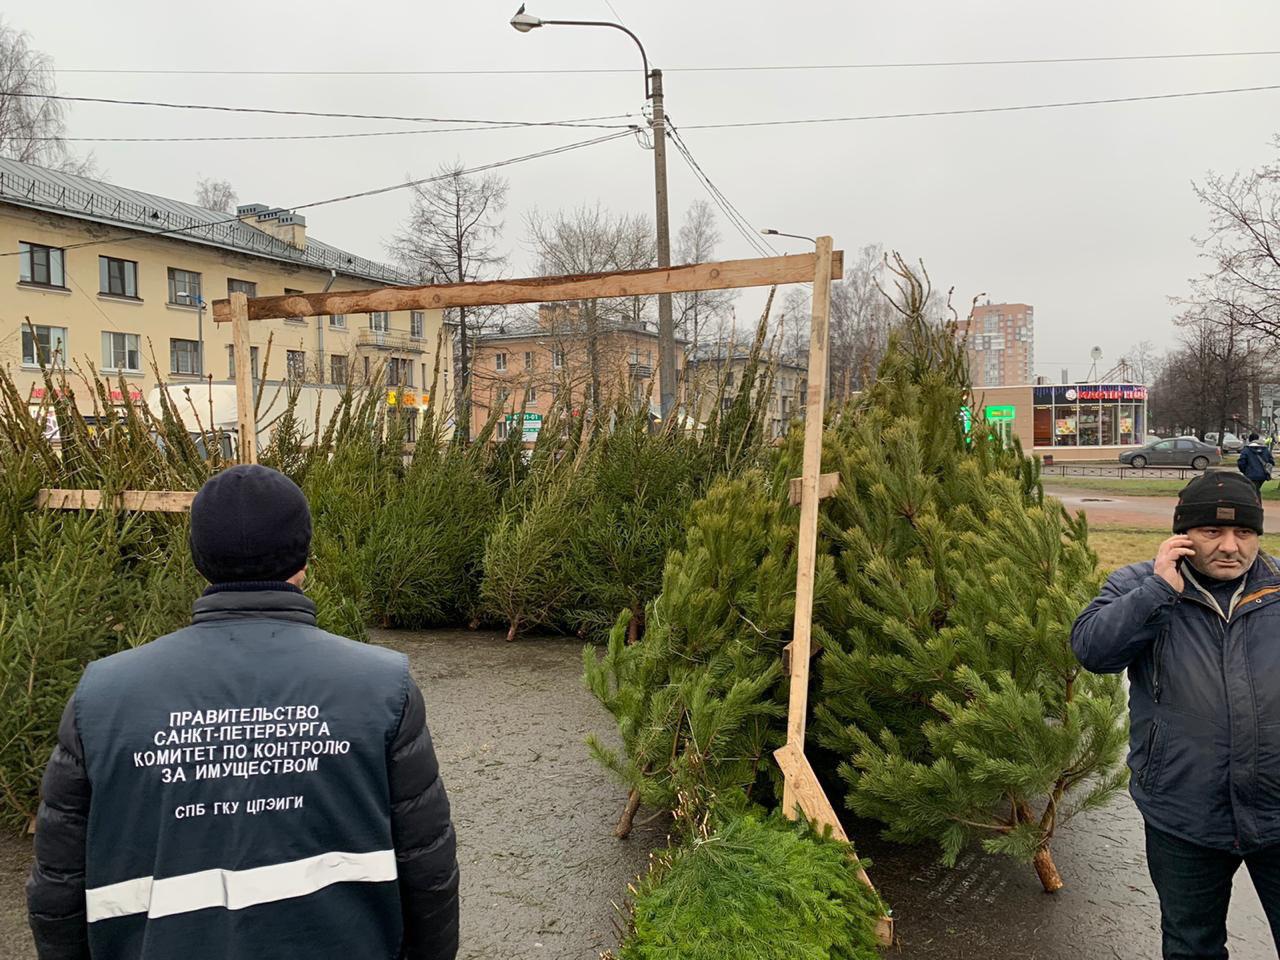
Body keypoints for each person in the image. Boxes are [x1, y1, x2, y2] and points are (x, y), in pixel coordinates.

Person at [26, 465, 459, 960]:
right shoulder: (383, 687)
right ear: (304, 559)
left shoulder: (102, 696)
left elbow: (57, 888)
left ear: (198, 559)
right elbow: (430, 871)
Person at [1071, 471, 1280, 959]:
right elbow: (1093, 651)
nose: (1230, 547)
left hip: (1276, 811)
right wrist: (1157, 592)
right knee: (1191, 945)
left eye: (1244, 533)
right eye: (1213, 532)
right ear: (1183, 534)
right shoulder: (1138, 585)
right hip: (1183, 814)